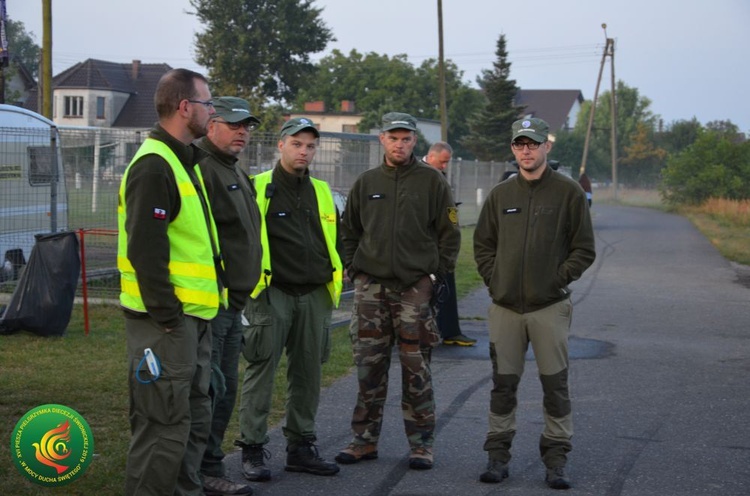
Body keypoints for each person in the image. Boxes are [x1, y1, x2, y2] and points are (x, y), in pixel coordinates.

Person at [473, 117, 596, 490]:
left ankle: (556, 461)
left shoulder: (568, 193)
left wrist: (557, 279)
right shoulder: (501, 195)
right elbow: (483, 246)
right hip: (506, 309)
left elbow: (584, 249)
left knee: (554, 387)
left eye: (533, 143)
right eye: (519, 144)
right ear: (513, 148)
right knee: (502, 386)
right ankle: (497, 457)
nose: (526, 150)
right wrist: (497, 280)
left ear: (547, 147)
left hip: (548, 308)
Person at [118, 68, 223, 495]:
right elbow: (146, 251)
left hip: (189, 320)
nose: (212, 112)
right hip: (164, 323)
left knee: (192, 416)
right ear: (185, 108)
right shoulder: (154, 166)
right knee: (162, 424)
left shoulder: (185, 162)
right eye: (208, 103)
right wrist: (168, 316)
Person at [336, 112, 461, 470]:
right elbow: (349, 231)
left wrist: (436, 277)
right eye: (394, 137)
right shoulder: (366, 182)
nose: (400, 144)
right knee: (368, 367)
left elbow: (449, 235)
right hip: (371, 289)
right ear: (382, 140)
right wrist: (354, 267)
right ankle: (363, 441)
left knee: (415, 367)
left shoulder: (432, 182)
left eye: (406, 138)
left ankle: (421, 445)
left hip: (414, 289)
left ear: (414, 141)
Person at [236, 117, 343, 481]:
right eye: (297, 144)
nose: (304, 151)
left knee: (309, 373)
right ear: (280, 145)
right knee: (261, 369)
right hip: (272, 294)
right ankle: (251, 448)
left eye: (310, 146)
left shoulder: (323, 191)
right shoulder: (256, 188)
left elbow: (335, 239)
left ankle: (300, 446)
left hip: (314, 294)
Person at [196, 96, 262, 496]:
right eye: (235, 124)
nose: (243, 132)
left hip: (235, 301)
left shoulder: (233, 167)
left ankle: (208, 465)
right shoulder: (202, 167)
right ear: (211, 125)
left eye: (247, 126)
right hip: (213, 301)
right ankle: (205, 469)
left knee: (225, 389)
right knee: (211, 389)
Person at [422, 141, 476, 347]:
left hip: (441, 241)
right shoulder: (417, 174)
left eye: (447, 163)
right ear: (432, 155)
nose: (445, 166)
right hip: (423, 244)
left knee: (446, 285)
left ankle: (449, 330)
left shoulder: (438, 175)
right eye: (443, 162)